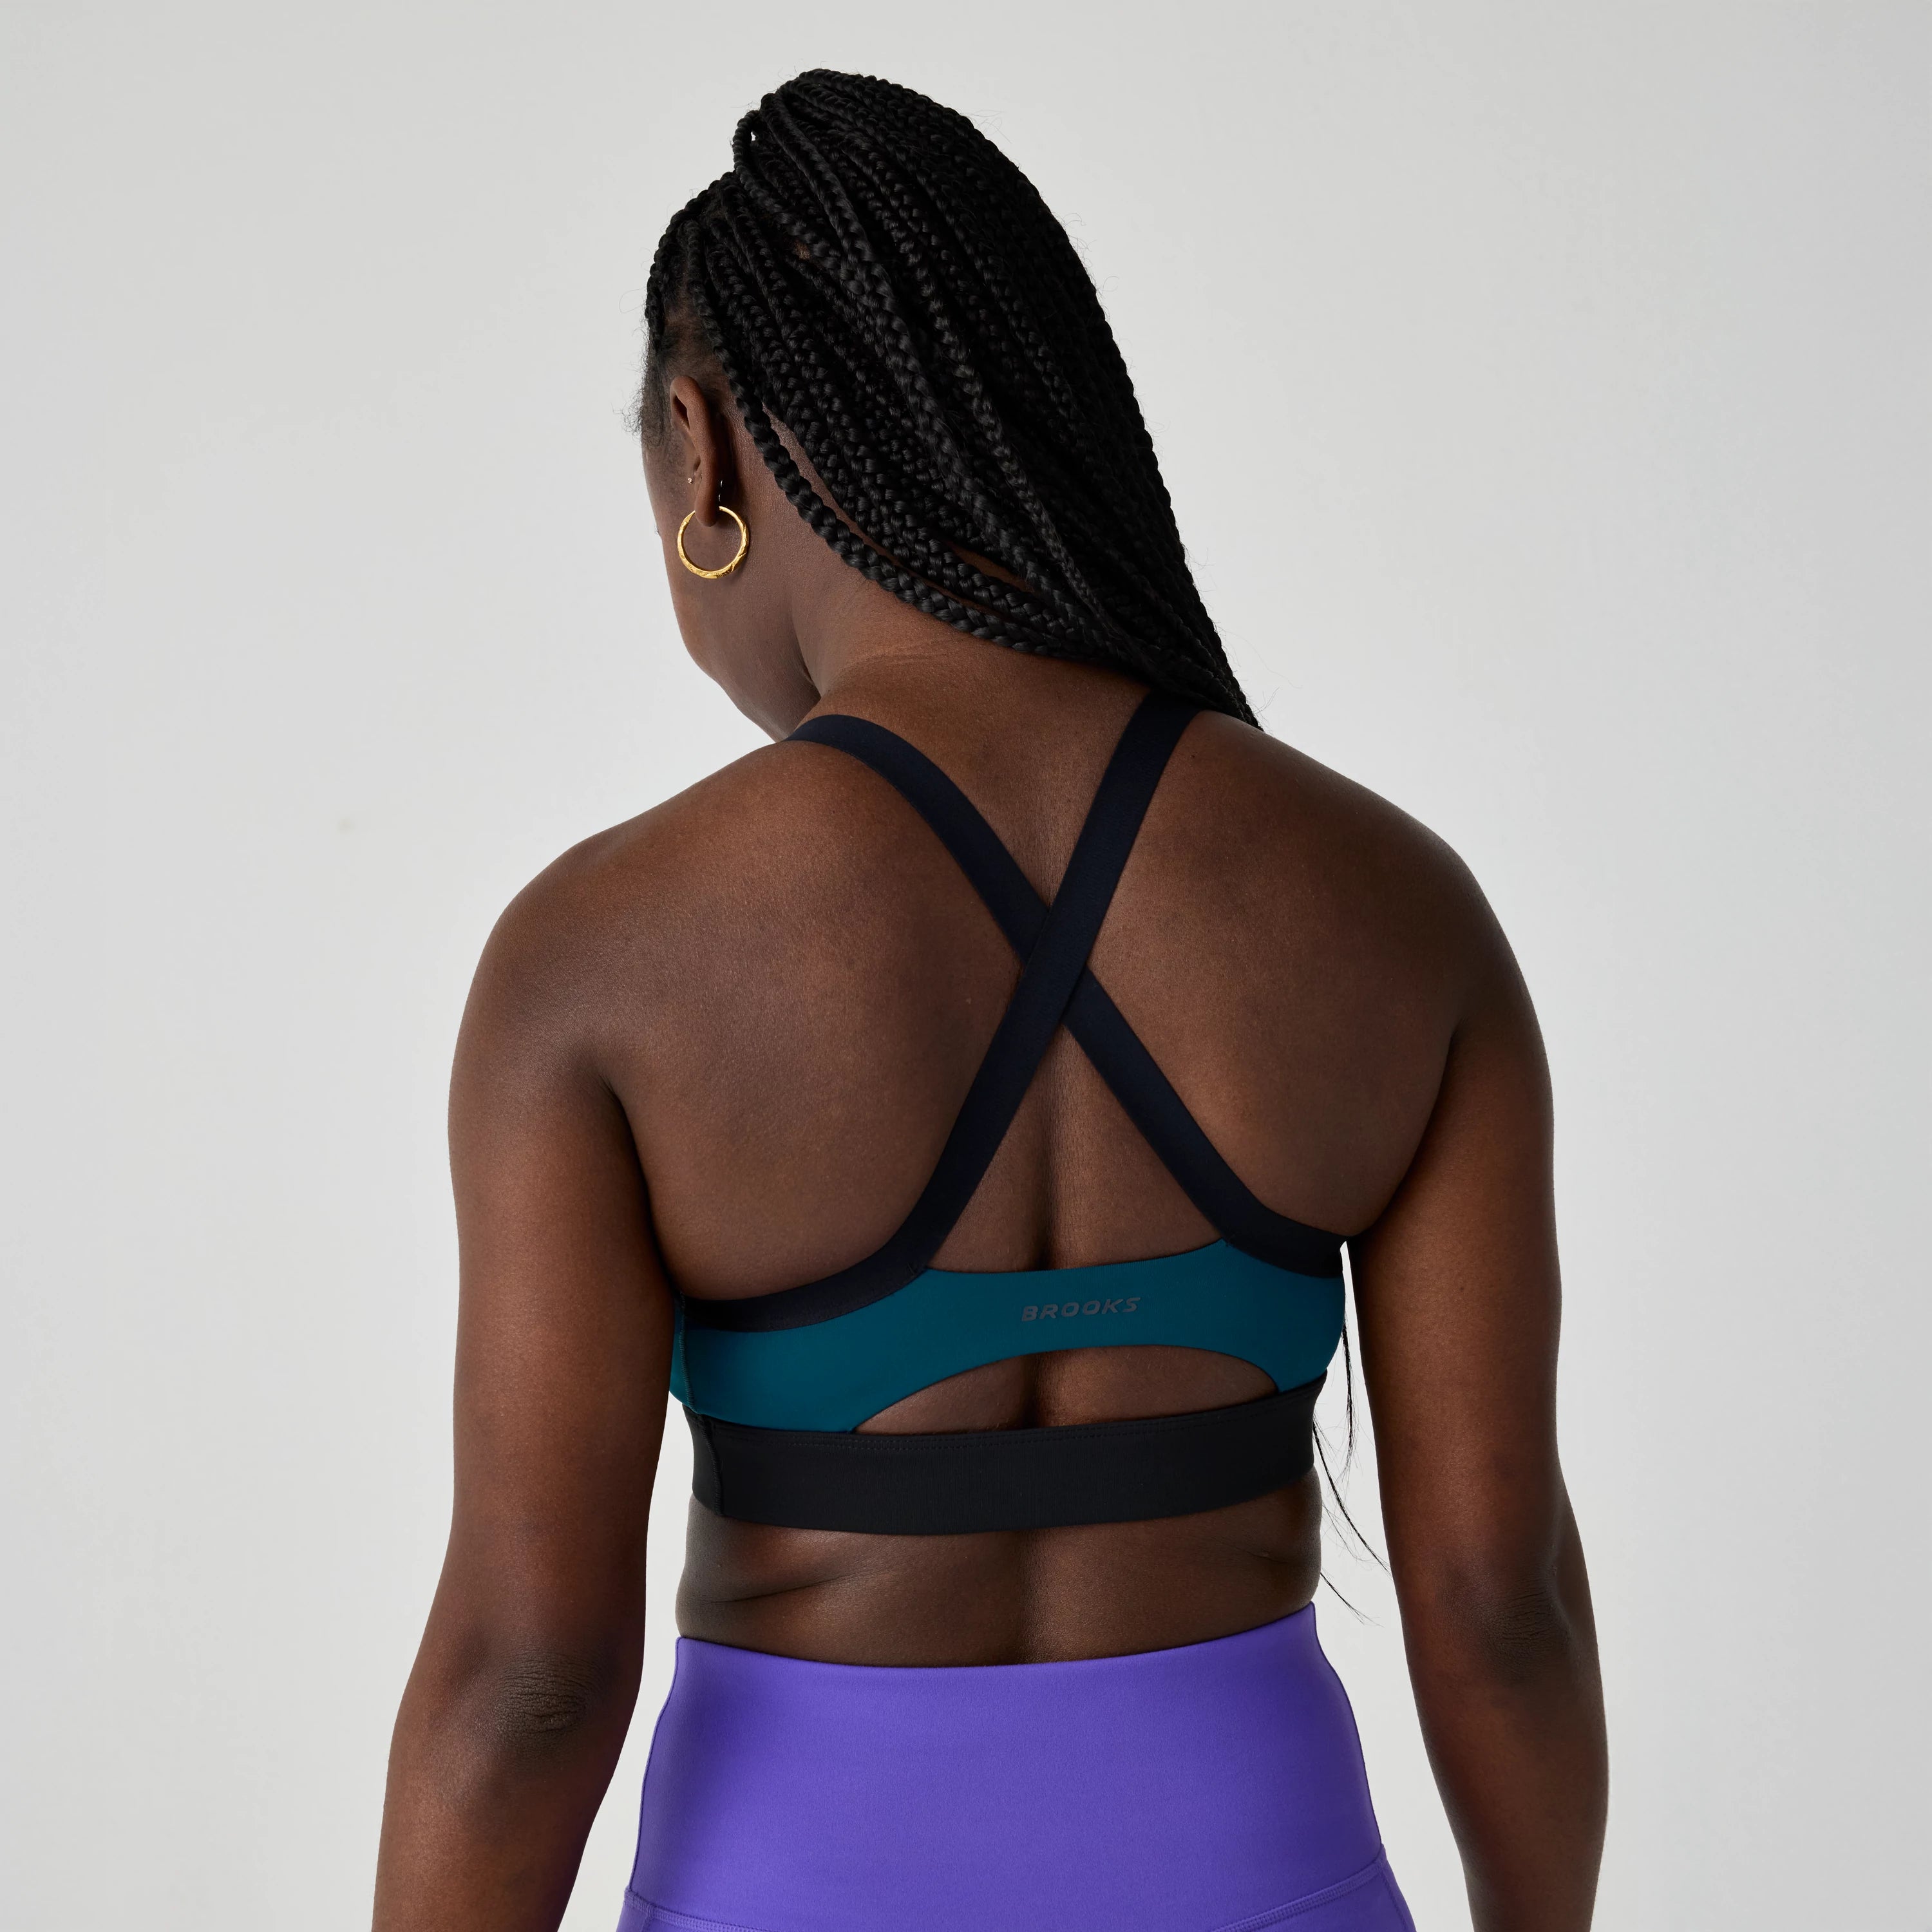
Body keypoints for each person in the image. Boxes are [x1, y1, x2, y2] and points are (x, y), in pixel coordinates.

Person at [372, 70, 1606, 1932]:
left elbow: (527, 1682)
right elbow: (1502, 1610)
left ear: (701, 455)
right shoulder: (1399, 915)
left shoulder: (600, 959)